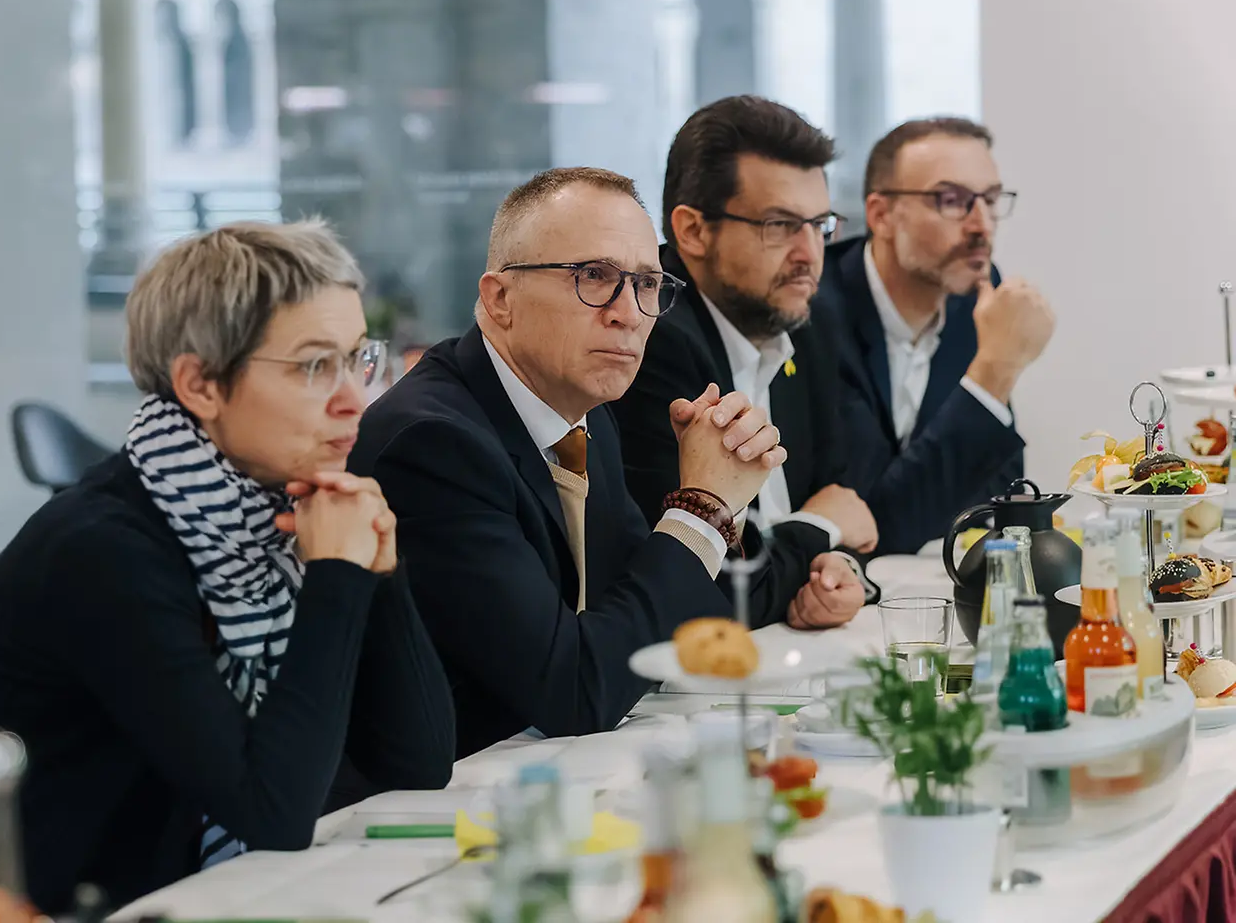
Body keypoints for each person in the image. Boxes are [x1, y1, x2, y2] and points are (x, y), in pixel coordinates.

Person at [0, 222, 455, 918]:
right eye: (314, 366)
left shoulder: (262, 524)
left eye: (360, 359)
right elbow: (274, 813)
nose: (355, 397)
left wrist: (379, 572)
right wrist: (338, 579)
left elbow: (419, 764)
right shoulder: (105, 551)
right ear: (200, 384)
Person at [348, 167, 788, 757]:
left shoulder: (581, 410)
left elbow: (648, 622)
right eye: (595, 277)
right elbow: (576, 690)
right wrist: (703, 510)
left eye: (647, 284)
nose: (628, 313)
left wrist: (731, 521)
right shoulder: (433, 445)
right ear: (498, 299)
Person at [612, 96, 875, 628]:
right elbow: (721, 589)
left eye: (819, 225)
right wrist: (820, 531)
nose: (808, 254)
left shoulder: (807, 319)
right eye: (779, 225)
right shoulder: (652, 336)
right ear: (692, 231)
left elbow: (845, 502)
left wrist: (841, 566)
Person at [814, 118, 1056, 554]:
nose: (982, 225)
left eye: (990, 199)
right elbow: (875, 527)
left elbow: (999, 495)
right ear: (881, 215)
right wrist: (994, 372)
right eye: (952, 200)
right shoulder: (815, 309)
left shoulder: (976, 296)